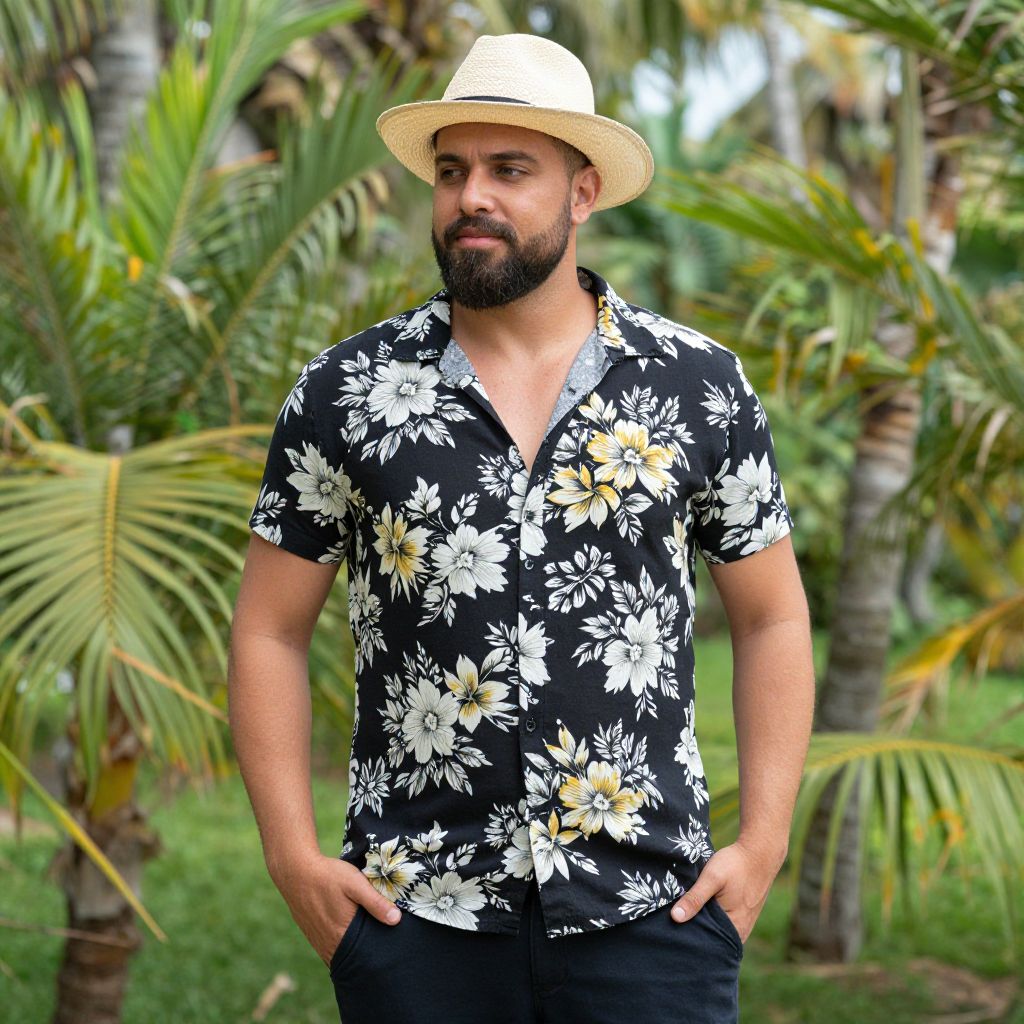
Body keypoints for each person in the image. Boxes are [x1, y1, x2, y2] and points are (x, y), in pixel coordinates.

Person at [228, 31, 815, 1024]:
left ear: (582, 193)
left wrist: (761, 845)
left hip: (652, 914)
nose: (472, 198)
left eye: (510, 170)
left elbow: (773, 618)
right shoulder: (348, 391)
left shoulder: (697, 386)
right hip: (418, 917)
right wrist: (292, 856)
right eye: (451, 172)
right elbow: (268, 629)